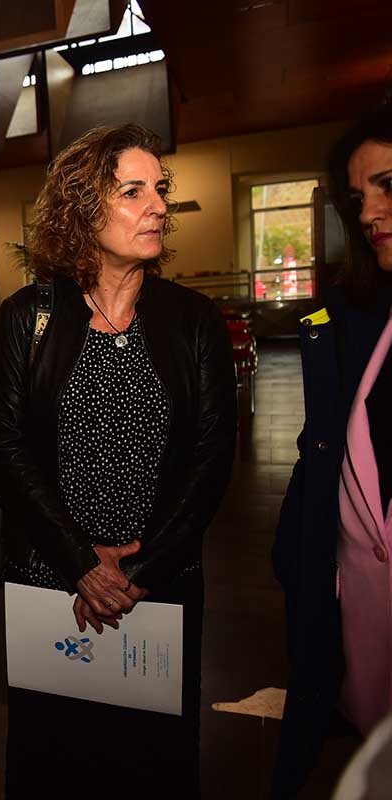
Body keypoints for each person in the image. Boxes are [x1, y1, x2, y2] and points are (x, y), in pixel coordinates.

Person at [0, 123, 236, 797]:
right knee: (55, 761)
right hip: (52, 581)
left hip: (158, 584)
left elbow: (212, 457)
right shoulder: (28, 317)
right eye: (133, 191)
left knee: (154, 763)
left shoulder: (191, 319)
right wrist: (80, 563)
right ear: (81, 208)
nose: (158, 205)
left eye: (160, 189)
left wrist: (140, 571)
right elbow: (4, 447)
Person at [274, 103, 392, 797]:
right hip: (358, 613)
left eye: (388, 185)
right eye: (358, 197)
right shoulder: (353, 318)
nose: (370, 212)